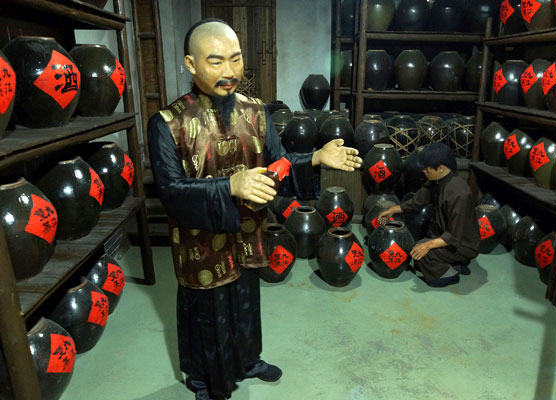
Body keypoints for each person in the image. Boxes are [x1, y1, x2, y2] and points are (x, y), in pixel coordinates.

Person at [147, 18, 362, 400]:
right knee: (208, 314)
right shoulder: (168, 123)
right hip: (201, 243)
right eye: (215, 61)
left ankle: (248, 360)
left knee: (245, 302)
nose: (229, 71)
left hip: (247, 232)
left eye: (235, 59)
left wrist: (314, 158)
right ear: (191, 64)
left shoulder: (256, 112)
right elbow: (171, 191)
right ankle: (205, 381)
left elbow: (278, 165)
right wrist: (230, 186)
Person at [377, 143, 480, 288]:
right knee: (418, 253)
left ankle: (450, 275)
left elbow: (454, 236)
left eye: (427, 167)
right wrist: (392, 210)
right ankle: (456, 264)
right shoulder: (437, 180)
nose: (423, 170)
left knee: (422, 253)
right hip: (446, 237)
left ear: (441, 168)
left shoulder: (459, 193)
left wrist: (427, 245)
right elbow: (417, 202)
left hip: (463, 245)